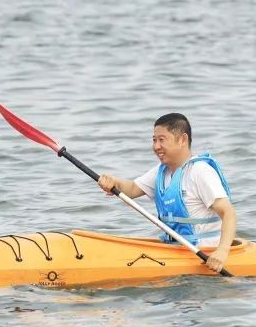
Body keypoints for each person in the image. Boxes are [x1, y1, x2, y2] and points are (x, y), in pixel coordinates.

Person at [97, 113, 237, 272]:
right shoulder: (161, 171)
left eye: (161, 140)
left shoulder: (200, 172)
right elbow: (132, 189)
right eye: (154, 140)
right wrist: (113, 182)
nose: (156, 146)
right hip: (175, 250)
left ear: (183, 139)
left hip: (206, 255)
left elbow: (228, 213)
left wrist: (222, 252)